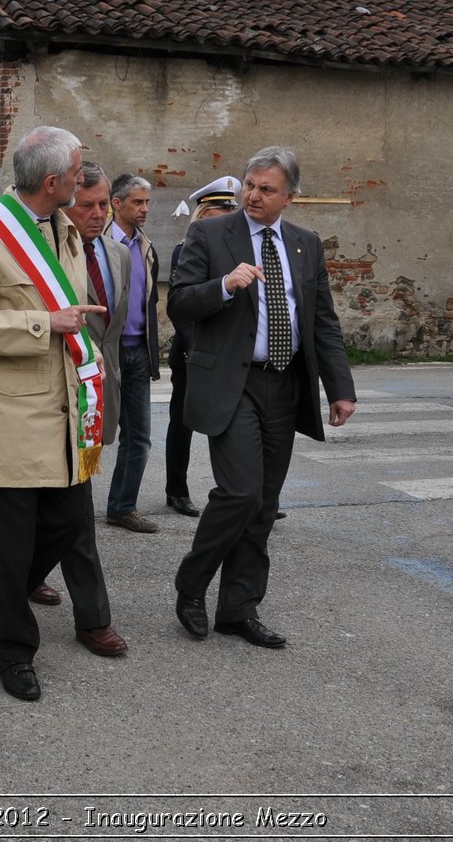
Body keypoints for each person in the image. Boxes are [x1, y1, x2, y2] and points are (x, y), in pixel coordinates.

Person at [169, 146, 356, 650]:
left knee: (264, 505)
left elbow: (322, 321)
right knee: (240, 493)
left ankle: (238, 607)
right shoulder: (210, 233)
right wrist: (225, 285)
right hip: (233, 382)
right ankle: (192, 583)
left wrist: (340, 388)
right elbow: (179, 302)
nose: (252, 195)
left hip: (286, 381)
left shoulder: (305, 244)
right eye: (249, 185)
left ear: (289, 197)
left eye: (266, 189)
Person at [0, 125, 107, 701]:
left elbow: (78, 313)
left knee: (68, 524)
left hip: (64, 410)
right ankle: (15, 652)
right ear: (51, 181)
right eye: (76, 172)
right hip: (7, 418)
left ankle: (3, 586)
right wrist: (46, 324)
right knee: (10, 542)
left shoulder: (65, 227)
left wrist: (88, 356)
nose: (83, 179)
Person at [50, 160, 128, 657]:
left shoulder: (119, 255)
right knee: (72, 515)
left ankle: (14, 576)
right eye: (87, 205)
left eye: (104, 205)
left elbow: (119, 333)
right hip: (52, 398)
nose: (97, 214)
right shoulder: (44, 253)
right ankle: (94, 618)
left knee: (67, 507)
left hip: (98, 395)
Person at [164, 176, 240, 516]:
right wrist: (196, 349)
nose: (229, 215)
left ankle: (242, 492)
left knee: (233, 427)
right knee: (182, 425)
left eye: (231, 209)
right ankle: (176, 491)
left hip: (227, 354)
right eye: (223, 209)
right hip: (192, 353)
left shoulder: (236, 252)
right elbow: (181, 308)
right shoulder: (186, 250)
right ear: (204, 213)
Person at [103, 173, 161, 532]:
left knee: (138, 436)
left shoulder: (144, 245)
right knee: (86, 431)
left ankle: (122, 506)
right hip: (104, 352)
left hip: (137, 352)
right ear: (117, 203)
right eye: (137, 202)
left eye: (147, 202)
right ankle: (63, 507)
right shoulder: (97, 243)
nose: (144, 209)